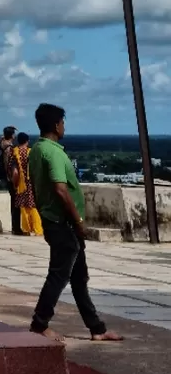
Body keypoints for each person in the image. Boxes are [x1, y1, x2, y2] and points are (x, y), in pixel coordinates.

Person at [27, 102, 121, 342]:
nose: (64, 126)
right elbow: (60, 189)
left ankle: (97, 329)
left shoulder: (36, 150)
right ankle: (39, 324)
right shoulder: (54, 152)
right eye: (63, 122)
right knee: (58, 275)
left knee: (79, 278)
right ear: (57, 125)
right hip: (63, 224)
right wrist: (78, 221)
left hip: (53, 220)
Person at [13, 131, 43, 237]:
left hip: (21, 184)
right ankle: (37, 229)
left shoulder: (14, 152)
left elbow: (15, 172)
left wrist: (15, 183)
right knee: (33, 206)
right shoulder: (31, 152)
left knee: (23, 207)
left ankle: (26, 229)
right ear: (27, 141)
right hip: (32, 183)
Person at [0, 125, 22, 235]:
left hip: (7, 178)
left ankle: (15, 227)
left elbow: (2, 137)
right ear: (11, 135)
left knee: (14, 203)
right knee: (16, 204)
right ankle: (16, 227)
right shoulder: (8, 148)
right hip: (11, 179)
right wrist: (12, 178)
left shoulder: (1, 144)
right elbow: (9, 165)